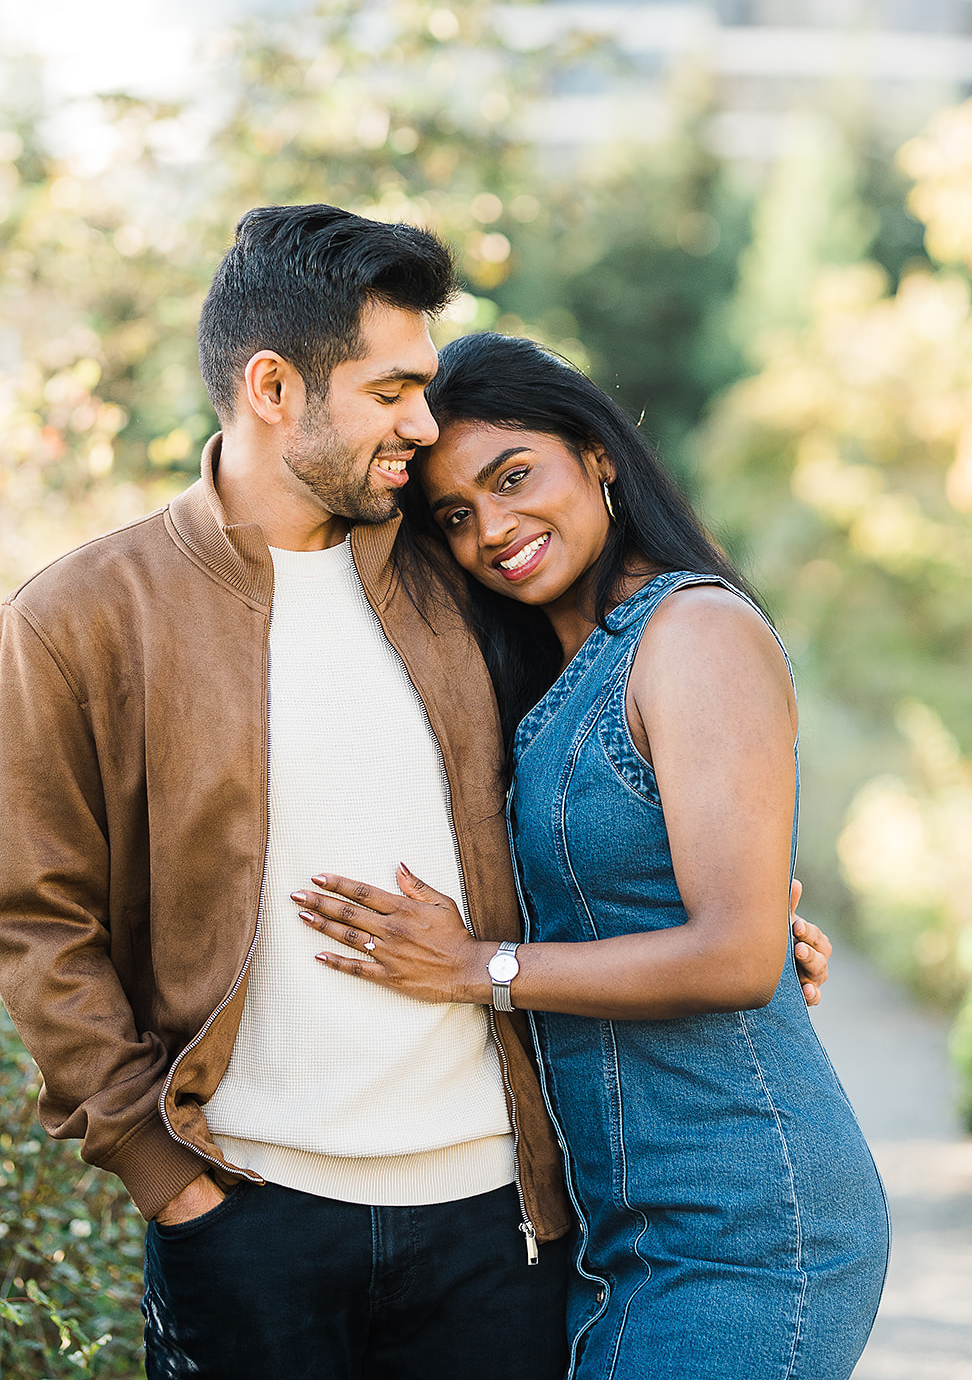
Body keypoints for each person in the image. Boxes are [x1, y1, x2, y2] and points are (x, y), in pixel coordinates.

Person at [0, 205, 830, 1380]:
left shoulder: (461, 583)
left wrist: (733, 924)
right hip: (246, 1217)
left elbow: (602, 794)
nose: (424, 425)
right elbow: (39, 915)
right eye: (393, 392)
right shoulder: (82, 617)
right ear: (275, 387)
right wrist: (162, 1176)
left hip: (497, 1223)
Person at [292, 331, 890, 1380]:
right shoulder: (558, 671)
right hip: (622, 1229)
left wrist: (480, 969)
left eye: (514, 476)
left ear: (599, 456)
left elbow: (738, 957)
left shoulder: (693, 631)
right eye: (456, 516)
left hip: (748, 1227)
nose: (495, 530)